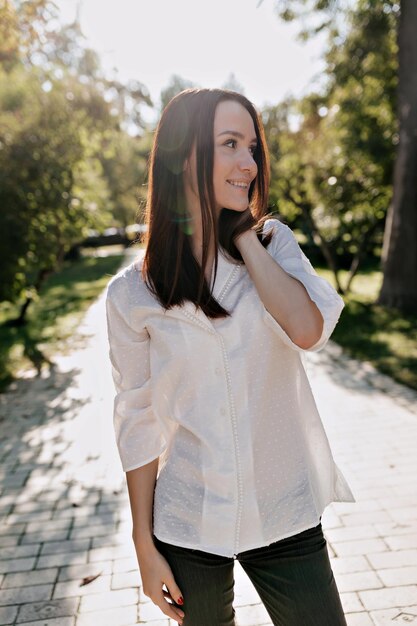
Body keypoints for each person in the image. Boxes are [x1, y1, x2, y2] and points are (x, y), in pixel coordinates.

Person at [105, 87, 355, 626]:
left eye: (252, 148)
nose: (249, 163)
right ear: (185, 156)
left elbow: (307, 330)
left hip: (284, 507)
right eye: (230, 144)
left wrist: (244, 240)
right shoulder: (133, 294)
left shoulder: (273, 244)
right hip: (188, 518)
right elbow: (137, 421)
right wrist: (143, 546)